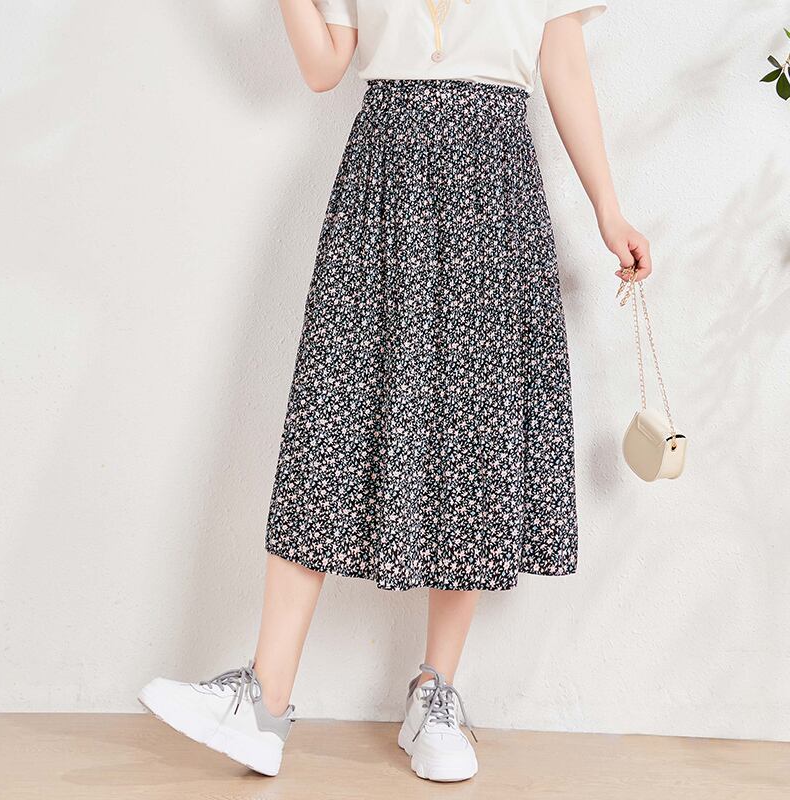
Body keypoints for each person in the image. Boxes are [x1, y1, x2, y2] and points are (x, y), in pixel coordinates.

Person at [138, 0, 652, 784]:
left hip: (492, 183)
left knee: (473, 431)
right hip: (381, 178)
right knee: (329, 419)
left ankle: (435, 693)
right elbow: (324, 66)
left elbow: (565, 65)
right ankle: (263, 701)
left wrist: (609, 212)